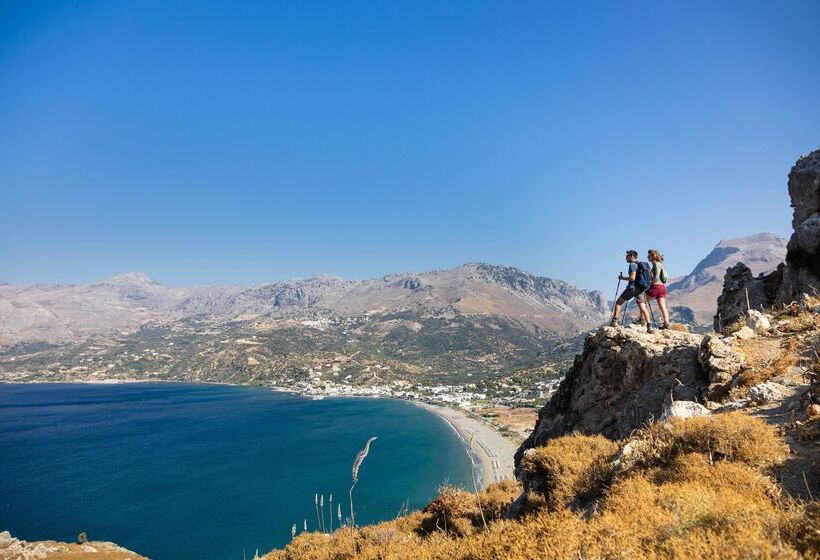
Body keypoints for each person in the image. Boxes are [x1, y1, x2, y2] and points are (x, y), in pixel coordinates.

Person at [609, 249, 653, 332]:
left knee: (618, 303)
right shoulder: (643, 265)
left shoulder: (632, 265)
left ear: (632, 256)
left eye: (627, 256)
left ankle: (614, 322)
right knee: (643, 307)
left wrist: (622, 278)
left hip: (633, 288)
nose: (626, 258)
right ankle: (649, 326)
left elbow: (632, 278)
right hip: (641, 288)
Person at [646, 249, 670, 329]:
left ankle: (641, 319)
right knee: (663, 307)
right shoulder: (660, 264)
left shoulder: (656, 264)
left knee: (642, 301)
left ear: (653, 256)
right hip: (662, 287)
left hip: (656, 286)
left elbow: (656, 278)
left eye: (649, 256)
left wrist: (649, 284)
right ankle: (666, 324)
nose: (647, 257)